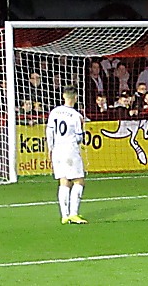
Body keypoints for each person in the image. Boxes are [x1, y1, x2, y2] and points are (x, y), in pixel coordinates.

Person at [46, 87, 88, 224]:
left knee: (63, 181)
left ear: (64, 96)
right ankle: (74, 214)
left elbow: (49, 131)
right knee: (78, 180)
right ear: (75, 97)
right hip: (70, 149)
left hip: (57, 149)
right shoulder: (76, 115)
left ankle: (64, 216)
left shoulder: (54, 112)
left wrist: (50, 148)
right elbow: (79, 137)